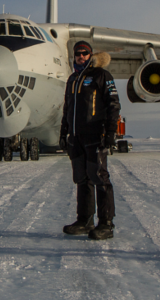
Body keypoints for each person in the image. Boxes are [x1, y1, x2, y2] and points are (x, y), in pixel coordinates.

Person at [59, 41, 121, 240]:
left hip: (95, 135)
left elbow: (113, 104)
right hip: (76, 137)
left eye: (85, 53)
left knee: (99, 178)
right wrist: (63, 133)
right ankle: (84, 220)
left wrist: (110, 131)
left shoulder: (101, 76)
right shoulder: (73, 79)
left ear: (91, 55)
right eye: (78, 53)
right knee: (81, 178)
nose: (81, 56)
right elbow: (67, 108)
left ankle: (106, 224)